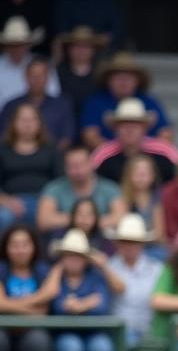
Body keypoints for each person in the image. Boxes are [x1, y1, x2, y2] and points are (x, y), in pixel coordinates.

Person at [49, 227, 117, 351]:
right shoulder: (56, 276)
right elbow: (57, 306)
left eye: (78, 255)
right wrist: (88, 302)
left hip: (94, 332)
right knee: (72, 348)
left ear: (85, 259)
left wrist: (76, 306)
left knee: (102, 348)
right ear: (62, 257)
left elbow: (102, 307)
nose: (73, 259)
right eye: (69, 254)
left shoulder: (95, 276)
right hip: (65, 333)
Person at [0, 222, 52, 351]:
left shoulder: (41, 270)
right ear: (6, 247)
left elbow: (43, 310)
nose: (20, 250)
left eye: (25, 244)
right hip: (4, 330)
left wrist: (11, 304)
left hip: (31, 332)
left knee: (39, 341)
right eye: (14, 245)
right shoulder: (2, 270)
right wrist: (31, 307)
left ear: (33, 247)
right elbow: (1, 304)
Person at [79, 51, 172, 148]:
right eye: (118, 77)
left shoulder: (149, 101)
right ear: (108, 80)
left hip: (146, 158)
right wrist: (114, 154)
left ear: (137, 81)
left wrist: (144, 156)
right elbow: (90, 135)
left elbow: (166, 133)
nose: (123, 82)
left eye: (128, 78)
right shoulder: (96, 102)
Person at [91, 97, 178, 185]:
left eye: (135, 125)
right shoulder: (103, 153)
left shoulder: (164, 151)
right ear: (116, 129)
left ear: (145, 128)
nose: (130, 130)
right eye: (124, 125)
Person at [36, 144, 123, 235]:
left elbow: (121, 218)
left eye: (82, 164)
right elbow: (43, 221)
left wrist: (87, 220)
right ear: (65, 167)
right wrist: (81, 219)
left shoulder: (110, 188)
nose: (78, 170)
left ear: (92, 163)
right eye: (73, 166)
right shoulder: (53, 188)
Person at [0, 101, 60, 229]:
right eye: (23, 119)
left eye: (32, 119)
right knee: (3, 217)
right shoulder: (3, 150)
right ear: (13, 123)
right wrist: (6, 201)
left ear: (39, 123)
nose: (27, 124)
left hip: (45, 201)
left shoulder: (51, 148)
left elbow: (60, 181)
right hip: (12, 202)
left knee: (52, 219)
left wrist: (47, 203)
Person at [107, 212, 162, 346]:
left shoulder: (156, 269)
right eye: (126, 241)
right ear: (118, 243)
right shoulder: (109, 267)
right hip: (120, 333)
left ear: (142, 243)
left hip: (150, 332)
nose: (130, 246)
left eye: (134, 242)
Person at [0, 56, 73, 148]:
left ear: (48, 77)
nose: (37, 79)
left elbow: (67, 137)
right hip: (16, 159)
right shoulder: (11, 105)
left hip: (54, 158)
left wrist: (52, 155)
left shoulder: (62, 105)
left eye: (41, 75)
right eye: (33, 75)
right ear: (25, 77)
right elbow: (3, 136)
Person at [0, 15, 55, 108]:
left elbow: (53, 97)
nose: (16, 49)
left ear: (28, 44)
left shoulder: (41, 64)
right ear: (6, 46)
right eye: (12, 45)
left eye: (20, 44)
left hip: (42, 118)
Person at [55, 25, 103, 125]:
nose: (81, 50)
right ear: (69, 49)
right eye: (77, 46)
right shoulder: (58, 73)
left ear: (93, 50)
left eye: (86, 46)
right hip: (65, 125)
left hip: (93, 126)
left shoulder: (101, 74)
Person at [119, 154, 165, 249]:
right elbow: (120, 229)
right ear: (129, 175)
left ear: (153, 176)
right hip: (129, 245)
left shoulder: (157, 199)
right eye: (137, 173)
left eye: (145, 174)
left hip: (152, 246)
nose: (141, 177)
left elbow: (159, 233)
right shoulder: (123, 199)